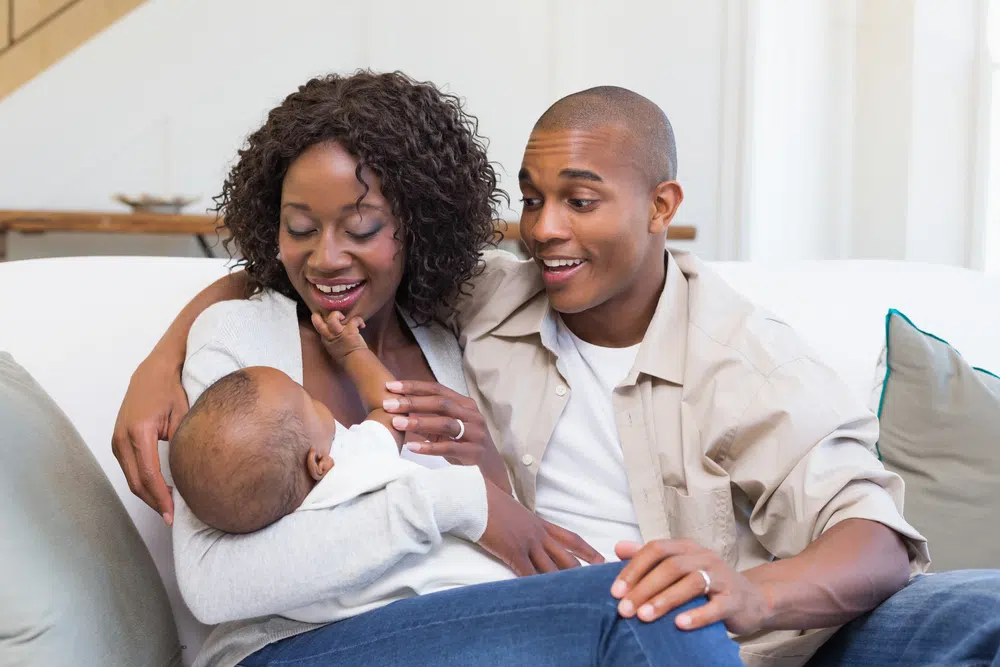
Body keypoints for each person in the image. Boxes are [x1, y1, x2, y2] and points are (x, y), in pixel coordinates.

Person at [116, 81, 1000, 667]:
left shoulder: (472, 318)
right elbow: (316, 277)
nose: (543, 231)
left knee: (980, 606)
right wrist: (168, 353)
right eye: (533, 200)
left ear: (662, 208)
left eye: (578, 200)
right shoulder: (456, 307)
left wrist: (752, 594)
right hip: (397, 633)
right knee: (652, 611)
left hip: (704, 627)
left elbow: (876, 532)